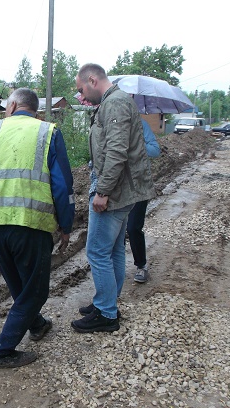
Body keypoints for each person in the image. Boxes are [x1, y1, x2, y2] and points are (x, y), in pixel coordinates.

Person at [0, 88, 75, 369]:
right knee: (35, 291)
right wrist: (66, 226)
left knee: (18, 283)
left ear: (12, 105)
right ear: (35, 110)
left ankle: (36, 325)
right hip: (31, 223)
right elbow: (63, 187)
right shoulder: (48, 133)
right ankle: (2, 351)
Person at [73, 63, 155, 333]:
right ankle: (107, 302)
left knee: (97, 250)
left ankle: (107, 313)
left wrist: (103, 191)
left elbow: (117, 151)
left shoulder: (115, 103)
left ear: (93, 80)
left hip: (115, 191)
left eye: (82, 89)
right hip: (120, 189)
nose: (82, 96)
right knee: (114, 249)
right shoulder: (113, 102)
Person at [127, 119, 161, 283]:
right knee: (116, 231)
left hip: (139, 185)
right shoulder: (108, 123)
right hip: (116, 186)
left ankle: (141, 265)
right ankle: (114, 268)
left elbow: (155, 150)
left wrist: (135, 145)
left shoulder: (141, 125)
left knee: (133, 227)